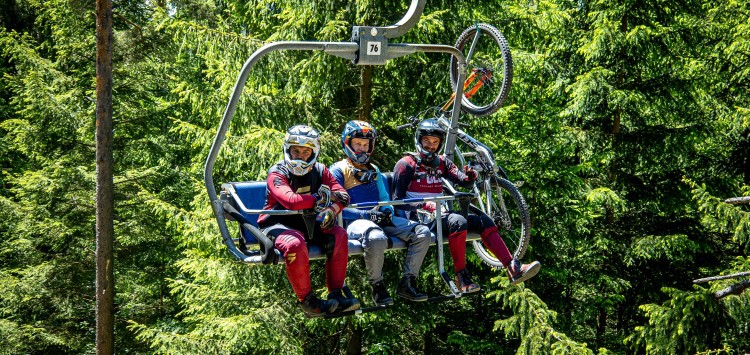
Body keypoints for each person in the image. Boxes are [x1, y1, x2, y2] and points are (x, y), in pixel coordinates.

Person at [392, 118, 541, 292]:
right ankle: (462, 277)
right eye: (427, 141)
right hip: (419, 221)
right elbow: (398, 202)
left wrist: (470, 177)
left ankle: (512, 267)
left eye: (435, 142)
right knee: (458, 221)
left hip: (443, 217)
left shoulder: (442, 162)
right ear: (419, 140)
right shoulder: (406, 164)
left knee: (483, 220)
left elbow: (463, 181)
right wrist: (426, 206)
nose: (431, 146)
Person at [257, 124, 360, 317]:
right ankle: (307, 301)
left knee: (338, 234)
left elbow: (343, 195)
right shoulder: (277, 172)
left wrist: (331, 209)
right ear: (287, 150)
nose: (300, 156)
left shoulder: (320, 170)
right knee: (295, 243)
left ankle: (336, 294)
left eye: (306, 151)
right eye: (296, 151)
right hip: (275, 224)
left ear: (314, 152)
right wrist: (320, 199)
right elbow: (292, 201)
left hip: (306, 225)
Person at [330, 120, 432, 305]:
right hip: (353, 222)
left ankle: (407, 282)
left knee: (422, 233)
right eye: (357, 144)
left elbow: (385, 199)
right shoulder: (337, 170)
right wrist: (367, 215)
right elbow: (338, 209)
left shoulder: (374, 170)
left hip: (378, 219)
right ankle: (377, 286)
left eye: (365, 144)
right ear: (347, 143)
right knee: (376, 237)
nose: (362, 148)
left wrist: (386, 211)